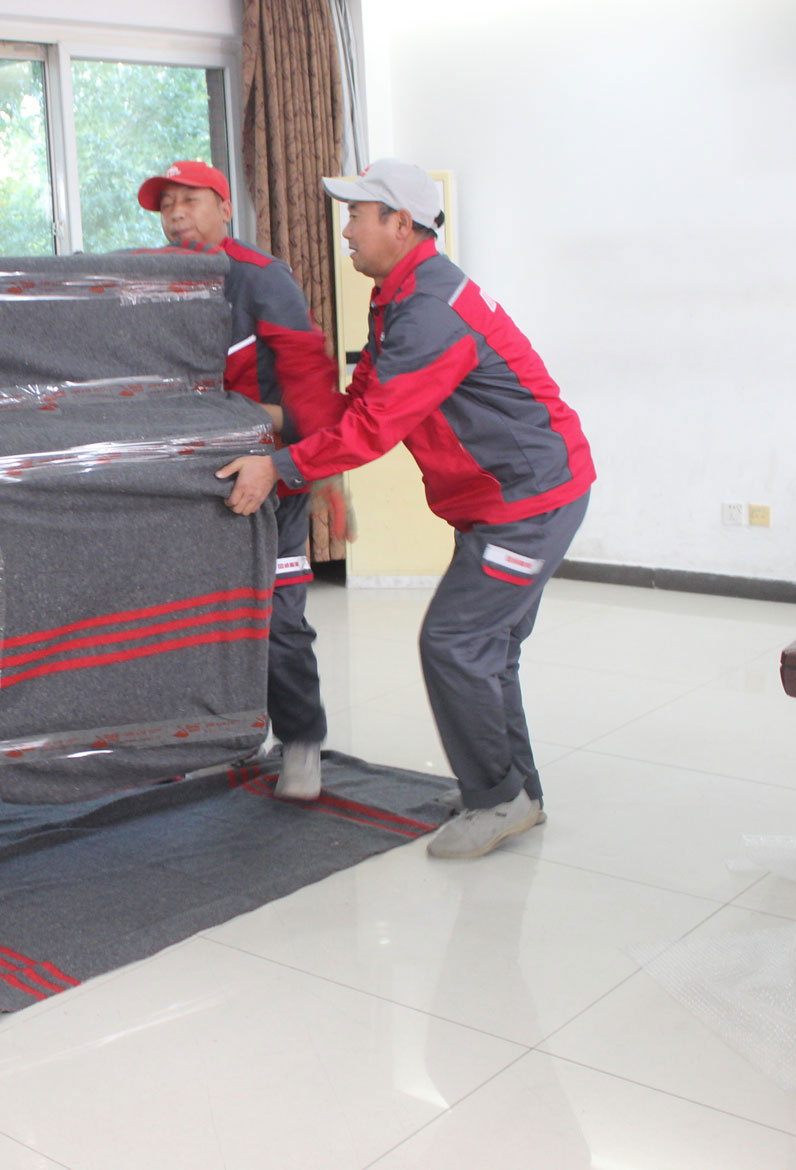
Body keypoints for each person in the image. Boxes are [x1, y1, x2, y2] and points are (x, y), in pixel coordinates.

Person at [216, 158, 595, 859]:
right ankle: (516, 793)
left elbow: (372, 427)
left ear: (400, 223)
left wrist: (281, 467)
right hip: (504, 498)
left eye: (357, 216)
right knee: (488, 650)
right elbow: (359, 402)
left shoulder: (428, 311)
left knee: (454, 643)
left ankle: (497, 798)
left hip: (528, 503)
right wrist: (271, 422)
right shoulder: (398, 295)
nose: (346, 231)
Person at [137, 160, 343, 800]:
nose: (176, 214)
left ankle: (302, 743)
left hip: (272, 482)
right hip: (192, 485)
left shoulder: (261, 278)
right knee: (195, 621)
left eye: (190, 200)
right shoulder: (154, 282)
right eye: (166, 204)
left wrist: (322, 473)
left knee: (278, 621)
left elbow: (312, 388)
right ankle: (217, 739)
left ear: (225, 208)